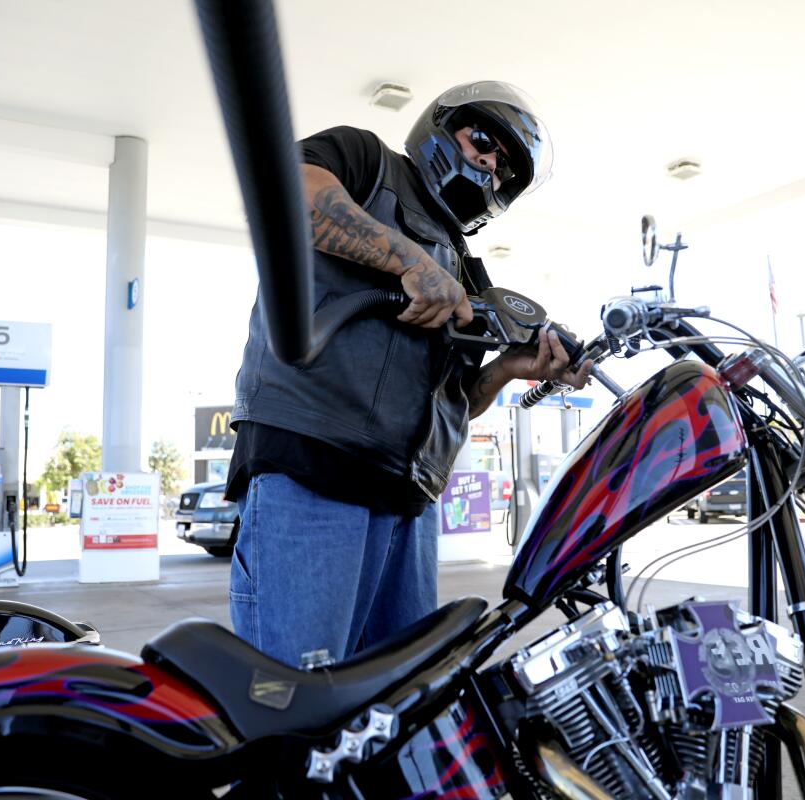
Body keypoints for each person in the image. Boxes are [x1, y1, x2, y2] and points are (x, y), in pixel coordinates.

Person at [226, 81, 591, 666]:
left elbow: (454, 399)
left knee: (397, 708)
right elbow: (281, 191)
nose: (489, 166)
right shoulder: (367, 161)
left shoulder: (468, 275)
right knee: (294, 702)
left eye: (504, 171)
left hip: (407, 501)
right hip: (312, 468)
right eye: (482, 142)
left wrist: (506, 368)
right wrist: (409, 260)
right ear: (441, 127)